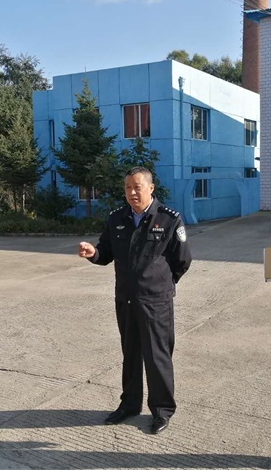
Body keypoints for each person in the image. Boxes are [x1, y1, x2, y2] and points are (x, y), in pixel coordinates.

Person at [78, 166, 192, 435]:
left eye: (137, 187)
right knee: (130, 354)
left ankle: (162, 411)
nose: (131, 192)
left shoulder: (168, 219)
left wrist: (161, 284)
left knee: (157, 357)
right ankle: (129, 405)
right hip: (126, 299)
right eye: (127, 187)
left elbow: (182, 260)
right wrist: (93, 252)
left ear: (151, 188)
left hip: (156, 301)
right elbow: (105, 251)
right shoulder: (117, 218)